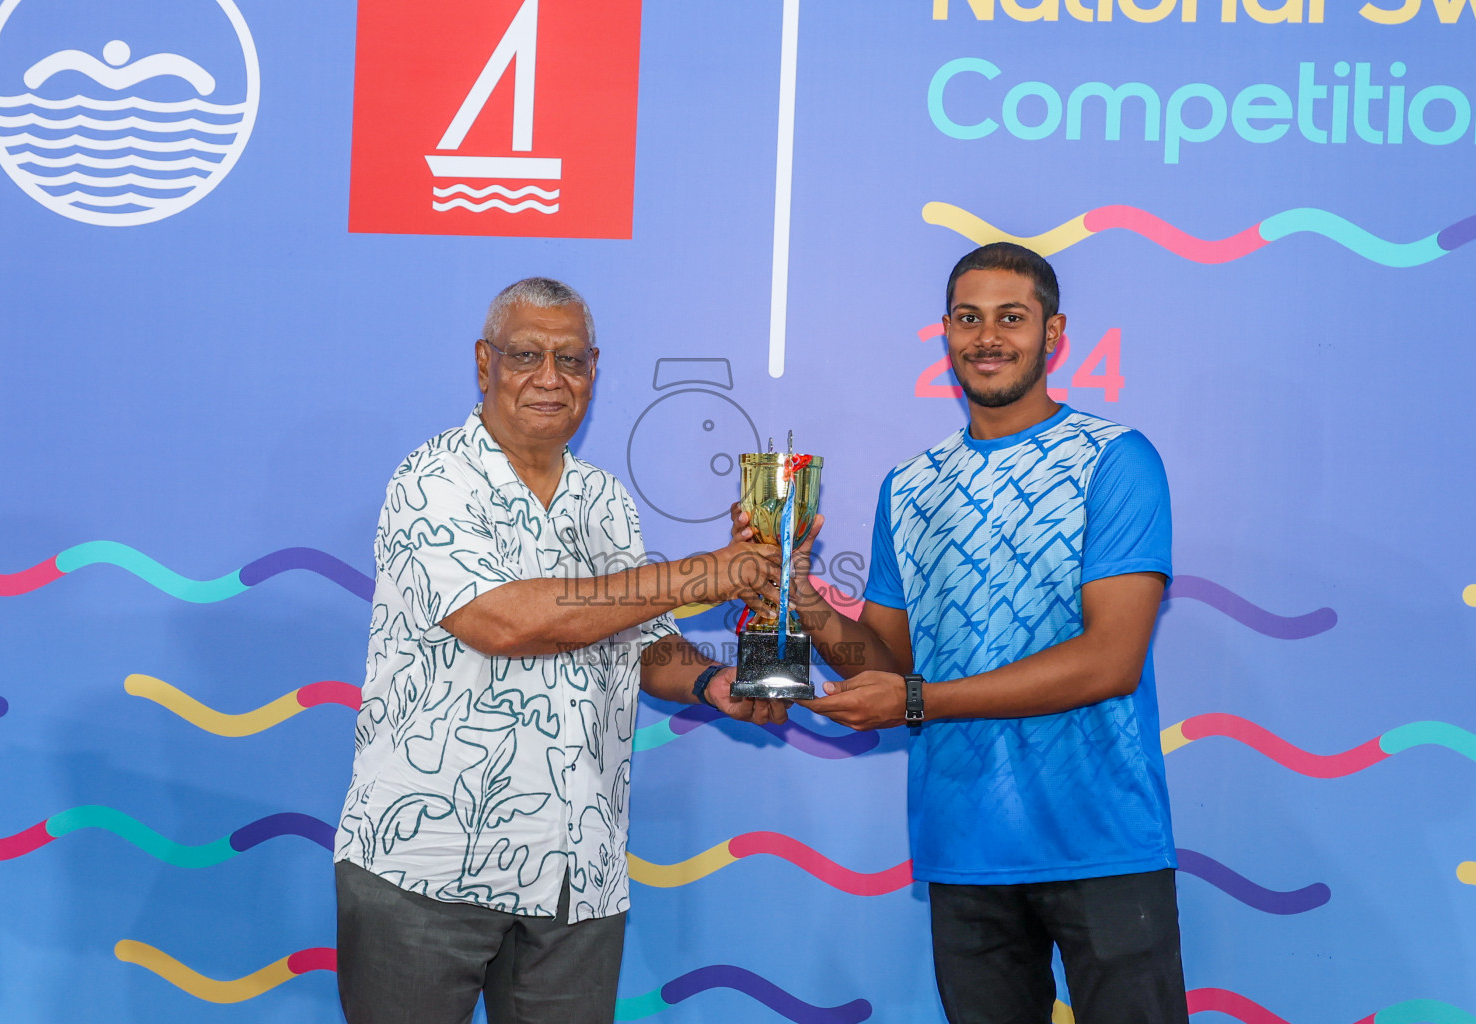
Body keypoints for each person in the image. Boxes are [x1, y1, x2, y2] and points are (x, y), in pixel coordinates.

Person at [743, 243, 1184, 1023]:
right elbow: (883, 664)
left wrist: (920, 699)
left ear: (1053, 334)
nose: (989, 337)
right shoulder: (909, 485)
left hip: (1103, 840)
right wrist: (796, 594)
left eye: (1012, 318)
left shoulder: (1114, 460)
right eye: (968, 319)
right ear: (944, 332)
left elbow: (1111, 659)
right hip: (965, 849)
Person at [334, 277, 786, 1024]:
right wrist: (705, 571)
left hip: (579, 875)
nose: (551, 378)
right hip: (426, 867)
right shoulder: (432, 480)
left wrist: (712, 684)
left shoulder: (604, 498)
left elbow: (642, 645)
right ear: (484, 364)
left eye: (571, 360)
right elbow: (505, 622)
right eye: (526, 356)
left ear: (595, 371)